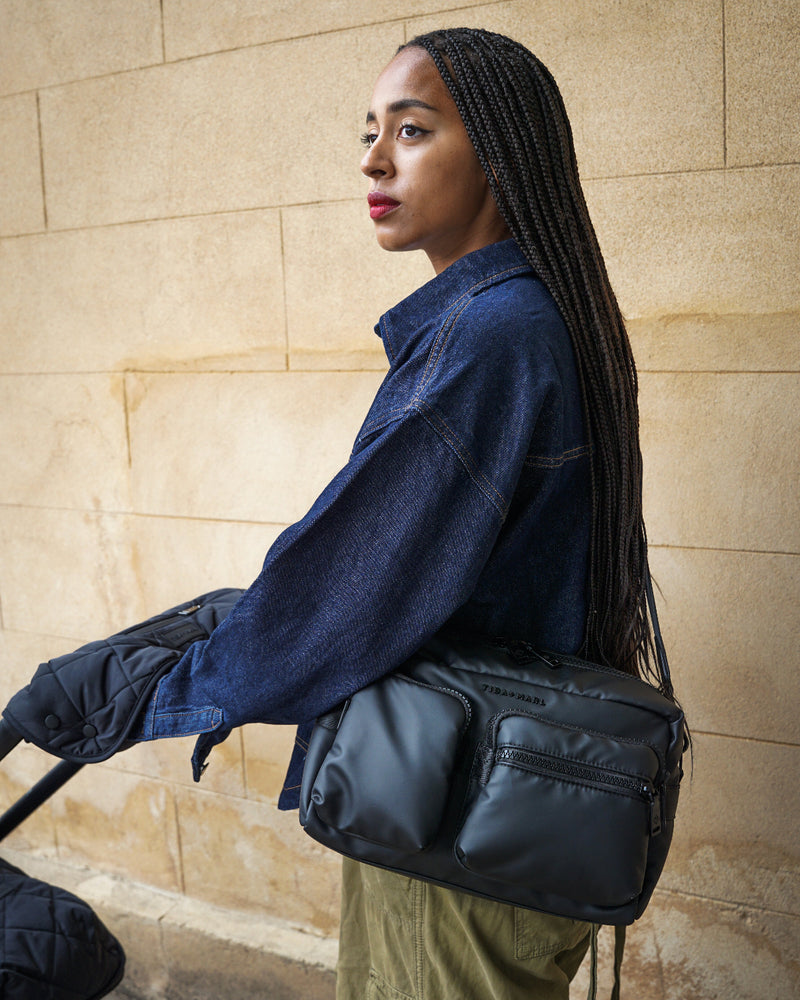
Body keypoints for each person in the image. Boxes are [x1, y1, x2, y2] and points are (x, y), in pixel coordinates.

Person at [130, 27, 675, 999]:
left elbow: (349, 585)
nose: (373, 161)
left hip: (451, 827)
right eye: (370, 132)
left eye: (412, 130)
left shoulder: (488, 339)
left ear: (498, 153)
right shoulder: (537, 317)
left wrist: (173, 690)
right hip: (506, 809)